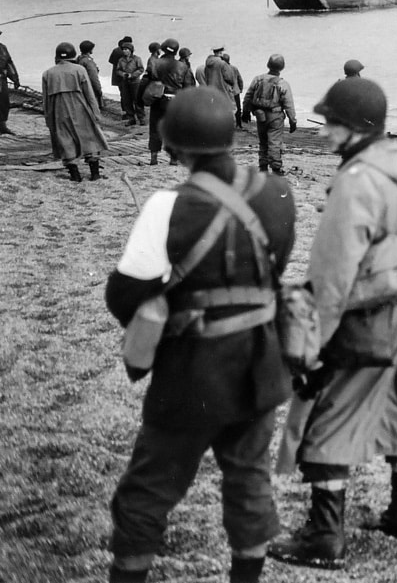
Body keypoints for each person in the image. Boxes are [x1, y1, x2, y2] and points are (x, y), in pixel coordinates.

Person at [105, 88, 297, 583]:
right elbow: (269, 273)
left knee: (147, 490)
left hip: (192, 372)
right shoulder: (278, 193)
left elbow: (124, 295)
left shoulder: (165, 205)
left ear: (174, 144)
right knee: (250, 480)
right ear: (230, 132)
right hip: (261, 364)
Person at [271, 78, 397, 570]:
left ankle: (324, 538)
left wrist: (312, 343)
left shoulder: (355, 180)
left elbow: (332, 274)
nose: (324, 133)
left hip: (366, 309)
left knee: (328, 407)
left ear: (353, 129)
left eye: (331, 124)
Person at [42, 41, 109, 182]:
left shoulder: (48, 73)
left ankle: (75, 175)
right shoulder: (79, 70)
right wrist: (96, 113)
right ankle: (95, 174)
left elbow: (46, 100)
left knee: (65, 140)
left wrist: (48, 119)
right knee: (90, 137)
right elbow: (89, 94)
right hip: (79, 107)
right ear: (73, 55)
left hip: (58, 110)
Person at [242, 55, 297, 175]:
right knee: (275, 142)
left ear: (268, 65)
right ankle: (276, 168)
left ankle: (263, 166)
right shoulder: (283, 84)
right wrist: (293, 121)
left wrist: (245, 112)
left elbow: (248, 96)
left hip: (260, 115)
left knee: (263, 142)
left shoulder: (258, 79)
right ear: (282, 67)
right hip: (275, 116)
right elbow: (289, 105)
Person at [146, 38, 187, 167]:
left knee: (155, 128)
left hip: (158, 99)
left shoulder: (155, 63)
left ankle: (154, 158)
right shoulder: (183, 66)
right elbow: (189, 87)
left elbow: (147, 80)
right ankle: (173, 158)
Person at [113, 41, 146, 125]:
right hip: (125, 82)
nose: (124, 51)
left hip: (135, 82)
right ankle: (131, 118)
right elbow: (118, 70)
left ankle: (141, 118)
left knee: (137, 100)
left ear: (131, 50)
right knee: (127, 100)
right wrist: (123, 74)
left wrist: (132, 75)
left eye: (126, 49)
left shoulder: (136, 59)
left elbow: (141, 69)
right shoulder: (121, 60)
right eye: (123, 49)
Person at [0, 30, 19, 135]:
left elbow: (9, 63)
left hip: (1, 80)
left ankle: (2, 127)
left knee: (4, 103)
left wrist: (15, 79)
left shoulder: (3, 48)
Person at [77, 40, 104, 110]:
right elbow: (94, 78)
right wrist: (99, 90)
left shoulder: (79, 59)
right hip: (89, 90)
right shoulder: (88, 62)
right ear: (90, 50)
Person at [223, 52, 246, 130]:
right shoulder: (234, 68)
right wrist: (241, 89)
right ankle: (239, 124)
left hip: (227, 91)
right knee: (238, 108)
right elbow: (240, 79)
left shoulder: (223, 69)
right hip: (236, 91)